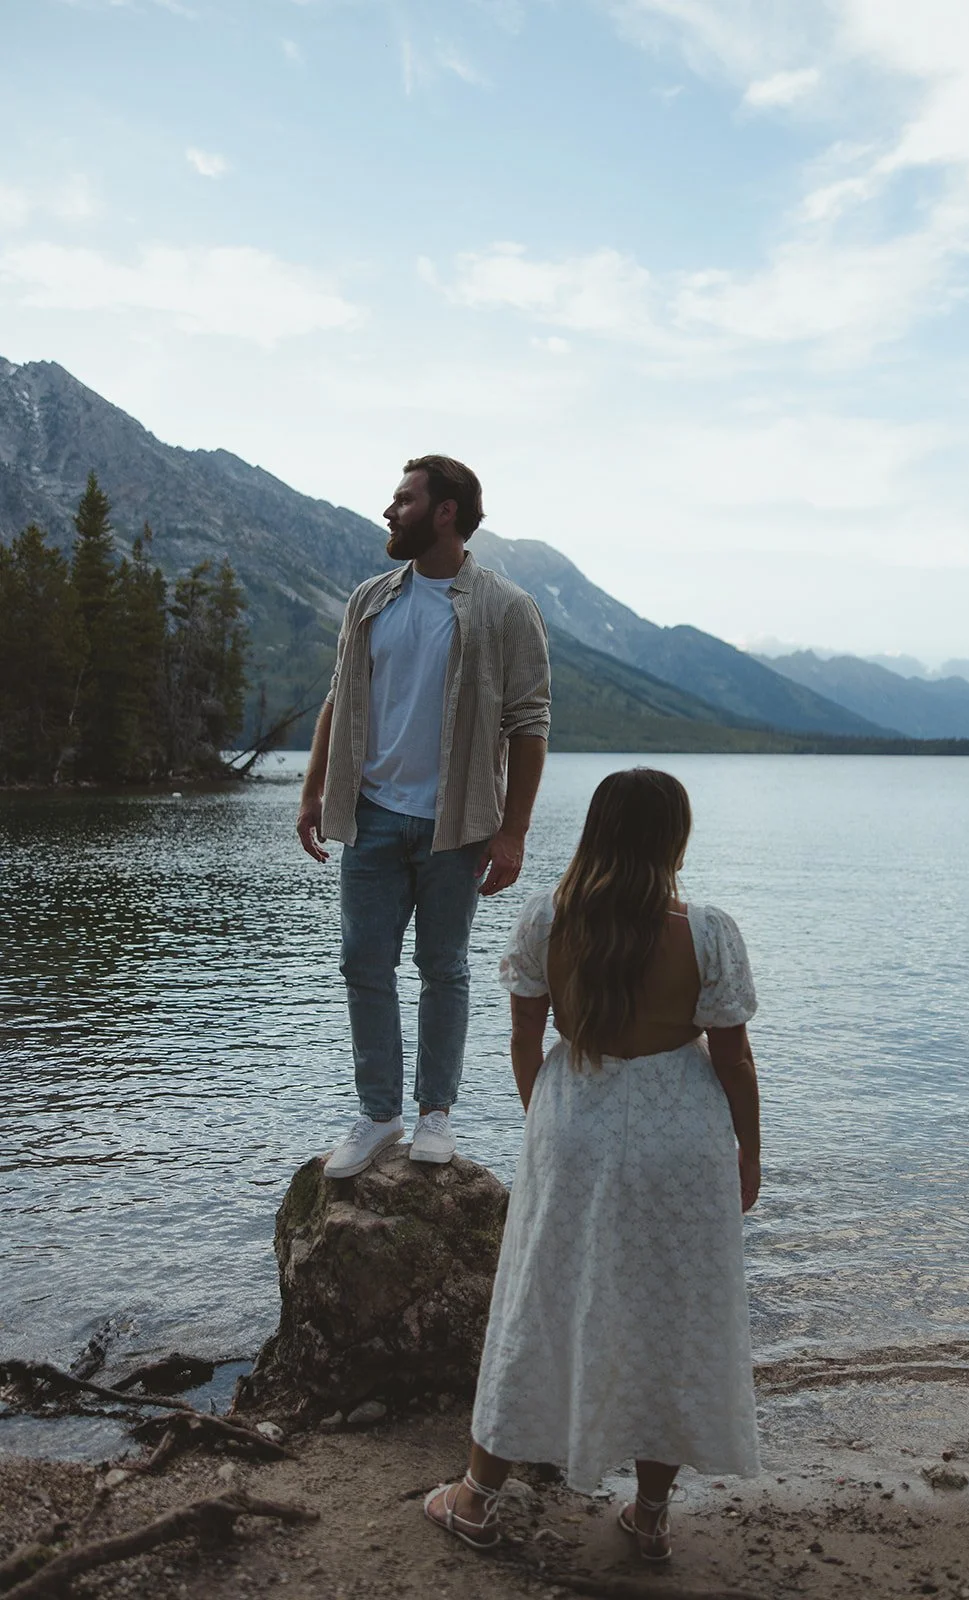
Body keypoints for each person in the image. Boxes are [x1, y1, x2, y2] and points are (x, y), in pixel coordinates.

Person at [424, 768, 762, 1562]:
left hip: (575, 1119)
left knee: (538, 1302)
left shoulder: (546, 918)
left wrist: (550, 1124)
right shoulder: (707, 929)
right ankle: (648, 1515)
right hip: (681, 1140)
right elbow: (735, 1059)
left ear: (595, 830)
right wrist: (748, 1151)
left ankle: (476, 1498)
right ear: (672, 837)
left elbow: (522, 1043)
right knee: (674, 1318)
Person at [297, 455, 550, 1178]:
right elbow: (337, 700)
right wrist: (314, 791)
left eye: (403, 499)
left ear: (445, 512)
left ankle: (435, 1114)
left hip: (456, 825)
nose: (389, 509)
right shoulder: (371, 599)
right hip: (372, 816)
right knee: (361, 962)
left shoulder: (503, 607)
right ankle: (380, 1115)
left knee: (443, 969)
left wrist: (514, 831)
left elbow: (529, 724)